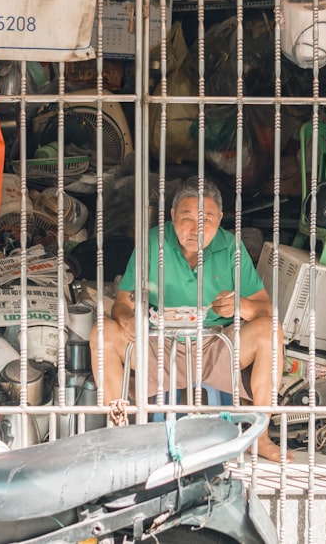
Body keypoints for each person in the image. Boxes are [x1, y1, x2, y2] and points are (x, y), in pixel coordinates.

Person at [90, 176, 290, 462]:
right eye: (186, 218)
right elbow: (122, 304)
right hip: (159, 348)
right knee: (102, 333)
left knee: (270, 331)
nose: (196, 228)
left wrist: (239, 306)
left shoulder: (231, 247)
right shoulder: (153, 243)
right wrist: (128, 319)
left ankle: (260, 436)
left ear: (220, 219)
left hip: (215, 347)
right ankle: (118, 432)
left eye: (206, 219)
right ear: (172, 217)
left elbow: (264, 310)